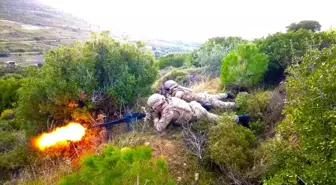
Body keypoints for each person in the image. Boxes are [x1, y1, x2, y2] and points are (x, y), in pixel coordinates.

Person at [147, 93, 250, 133]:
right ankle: (206, 107)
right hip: (194, 105)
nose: (154, 109)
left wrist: (155, 117)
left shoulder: (168, 112)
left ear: (158, 105)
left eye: (154, 108)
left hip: (197, 114)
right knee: (214, 116)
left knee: (218, 120)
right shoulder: (170, 99)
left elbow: (160, 128)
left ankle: (241, 118)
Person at [163, 80, 236, 109]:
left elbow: (182, 105)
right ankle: (227, 95)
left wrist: (202, 106)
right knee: (216, 96)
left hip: (204, 99)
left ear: (170, 88)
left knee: (222, 105)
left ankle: (238, 105)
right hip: (201, 96)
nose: (167, 91)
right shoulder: (179, 89)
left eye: (167, 89)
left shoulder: (178, 94)